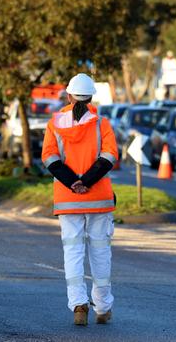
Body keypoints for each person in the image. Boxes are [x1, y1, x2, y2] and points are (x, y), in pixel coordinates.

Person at [41, 73, 119, 326]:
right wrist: (87, 181)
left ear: (69, 95)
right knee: (100, 252)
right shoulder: (101, 123)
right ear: (91, 96)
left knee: (72, 252)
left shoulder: (55, 123)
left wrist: (72, 182)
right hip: (98, 198)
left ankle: (78, 305)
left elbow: (49, 158)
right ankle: (103, 307)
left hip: (68, 199)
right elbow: (109, 157)